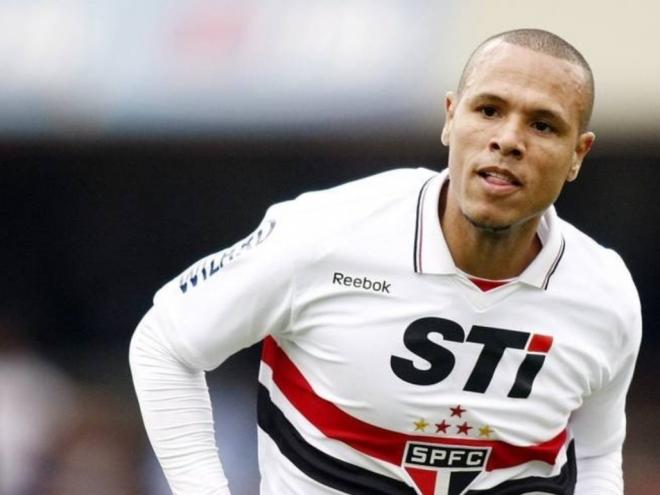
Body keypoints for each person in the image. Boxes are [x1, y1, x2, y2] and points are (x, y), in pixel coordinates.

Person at [130, 28, 641, 495]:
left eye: (543, 125)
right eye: (488, 110)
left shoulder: (604, 295)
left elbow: (597, 454)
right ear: (450, 118)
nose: (508, 140)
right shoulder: (325, 233)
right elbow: (164, 343)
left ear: (578, 154)